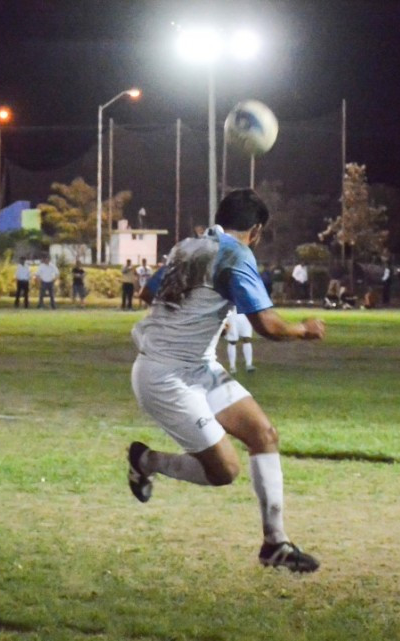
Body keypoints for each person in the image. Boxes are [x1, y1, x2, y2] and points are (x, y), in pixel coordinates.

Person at [127, 189, 326, 573]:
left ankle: (275, 544)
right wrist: (305, 329)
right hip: (165, 376)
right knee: (224, 472)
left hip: (197, 366)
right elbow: (268, 326)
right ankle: (146, 460)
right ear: (256, 230)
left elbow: (145, 292)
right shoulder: (237, 255)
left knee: (263, 434)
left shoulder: (188, 247)